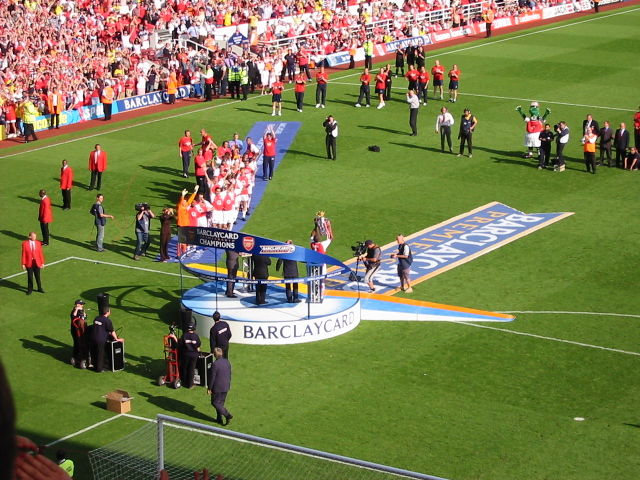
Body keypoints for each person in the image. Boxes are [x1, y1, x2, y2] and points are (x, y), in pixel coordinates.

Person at [207, 347, 233, 425]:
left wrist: (209, 388)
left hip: (217, 388)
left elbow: (212, 378)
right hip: (226, 386)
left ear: (215, 355)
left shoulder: (215, 364)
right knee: (220, 403)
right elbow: (230, 374)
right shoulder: (227, 362)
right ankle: (219, 419)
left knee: (215, 403)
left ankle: (227, 415)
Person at [179, 323, 200, 388]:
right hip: (194, 355)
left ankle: (184, 382)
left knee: (185, 368)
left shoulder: (184, 335)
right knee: (191, 369)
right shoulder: (196, 336)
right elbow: (198, 344)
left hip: (186, 354)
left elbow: (180, 344)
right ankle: (190, 384)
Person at [69, 299, 90, 369]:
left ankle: (76, 357)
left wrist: (84, 313)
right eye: (81, 304)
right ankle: (80, 358)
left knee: (79, 344)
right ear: (77, 305)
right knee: (78, 344)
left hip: (81, 331)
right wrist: (76, 309)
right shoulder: (74, 311)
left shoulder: (82, 311)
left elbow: (85, 318)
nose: (82, 305)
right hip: (76, 331)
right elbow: (73, 316)